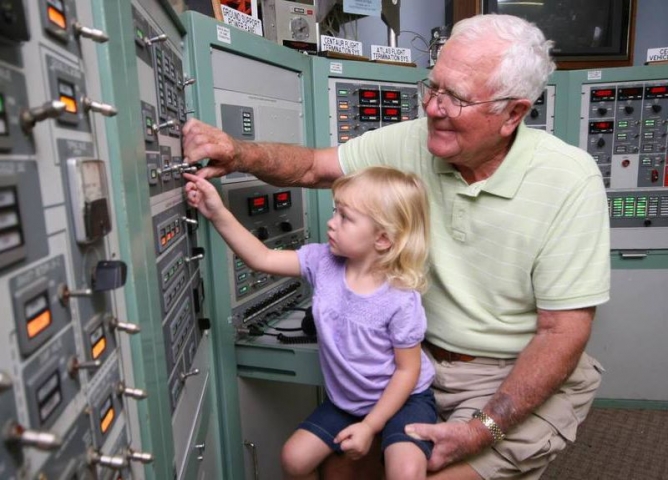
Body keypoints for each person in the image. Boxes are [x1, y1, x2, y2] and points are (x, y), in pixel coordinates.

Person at [181, 13, 610, 480]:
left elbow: (561, 334)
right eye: (434, 88)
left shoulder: (570, 180)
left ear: (513, 113)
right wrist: (239, 152)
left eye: (458, 98)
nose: (433, 108)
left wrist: (482, 428)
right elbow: (312, 169)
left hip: (511, 374)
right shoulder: (414, 141)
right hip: (418, 362)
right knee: (338, 471)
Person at [183, 166, 438, 480]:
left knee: (407, 473)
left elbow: (407, 371)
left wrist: (371, 427)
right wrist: (217, 211)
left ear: (383, 239)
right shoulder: (323, 262)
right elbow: (261, 258)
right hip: (348, 401)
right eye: (336, 212)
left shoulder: (400, 298)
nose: (331, 223)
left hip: (404, 400)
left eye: (345, 217)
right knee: (293, 460)